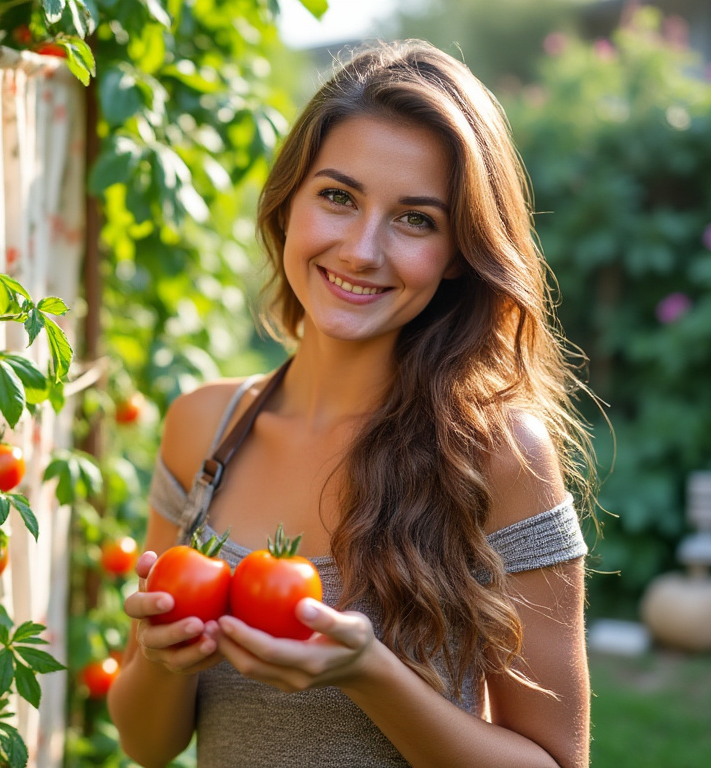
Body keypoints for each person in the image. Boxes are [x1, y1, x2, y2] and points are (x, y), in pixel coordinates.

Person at [108, 40, 594, 768]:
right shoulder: (204, 431)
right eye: (338, 196)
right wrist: (161, 659)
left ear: (459, 251)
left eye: (415, 219)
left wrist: (370, 674)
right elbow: (149, 746)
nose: (363, 250)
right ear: (289, 202)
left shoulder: (497, 455)